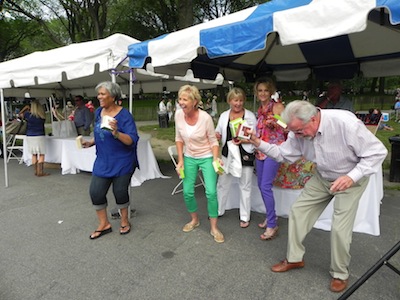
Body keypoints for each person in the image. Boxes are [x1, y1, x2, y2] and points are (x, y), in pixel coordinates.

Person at [246, 100, 387, 293]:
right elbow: (282, 154)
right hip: (323, 177)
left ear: (313, 119)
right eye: (294, 132)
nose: (296, 136)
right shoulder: (298, 130)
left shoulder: (345, 123)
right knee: (298, 211)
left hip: (351, 178)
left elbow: (378, 152)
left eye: (299, 131)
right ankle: (295, 259)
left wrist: (351, 177)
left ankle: (340, 274)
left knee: (339, 229)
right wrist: (257, 142)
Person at [82, 81, 139, 240]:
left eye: (102, 94)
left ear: (113, 96)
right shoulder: (99, 111)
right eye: (98, 93)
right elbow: (100, 132)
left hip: (122, 160)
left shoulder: (124, 115)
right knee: (96, 192)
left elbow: (132, 140)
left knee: (120, 191)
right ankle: (104, 224)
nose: (99, 96)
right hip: (103, 160)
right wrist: (92, 142)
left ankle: (125, 221)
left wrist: (116, 133)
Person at [174, 84, 224, 243]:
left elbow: (214, 141)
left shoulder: (205, 118)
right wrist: (180, 160)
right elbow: (178, 138)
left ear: (195, 101)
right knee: (187, 191)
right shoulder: (178, 115)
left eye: (185, 99)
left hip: (207, 156)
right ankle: (194, 220)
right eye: (180, 99)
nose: (181, 102)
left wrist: (215, 159)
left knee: (211, 192)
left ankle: (214, 227)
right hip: (189, 157)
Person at [215, 87, 256, 228]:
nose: (237, 103)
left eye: (240, 100)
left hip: (245, 154)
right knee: (222, 183)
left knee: (245, 185)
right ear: (229, 101)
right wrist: (217, 135)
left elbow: (255, 138)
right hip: (228, 154)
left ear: (244, 100)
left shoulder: (250, 116)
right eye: (234, 100)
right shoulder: (224, 116)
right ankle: (218, 210)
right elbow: (218, 132)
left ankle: (245, 216)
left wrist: (244, 140)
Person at [254, 78, 285, 240]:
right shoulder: (260, 110)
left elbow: (287, 126)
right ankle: (270, 215)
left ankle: (272, 225)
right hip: (260, 151)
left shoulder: (277, 106)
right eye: (260, 90)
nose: (263, 93)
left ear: (271, 91)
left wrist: (277, 121)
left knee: (265, 186)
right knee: (261, 185)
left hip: (273, 151)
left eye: (266, 90)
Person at [19, 100, 50, 177]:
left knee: (34, 154)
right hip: (40, 135)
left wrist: (26, 107)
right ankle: (40, 172)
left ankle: (36, 171)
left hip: (30, 135)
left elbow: (20, 114)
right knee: (41, 154)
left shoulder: (27, 115)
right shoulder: (42, 115)